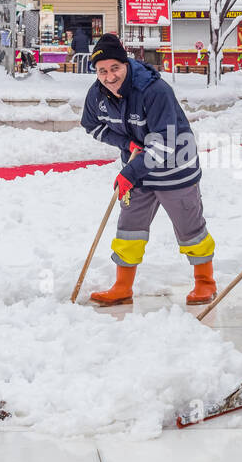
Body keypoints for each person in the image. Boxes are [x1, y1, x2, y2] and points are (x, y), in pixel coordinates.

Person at [79, 33, 216, 306]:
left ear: (126, 64)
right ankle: (122, 286)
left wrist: (130, 172)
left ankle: (205, 283)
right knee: (129, 228)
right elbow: (91, 125)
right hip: (139, 168)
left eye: (114, 68)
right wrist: (126, 143)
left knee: (190, 229)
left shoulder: (154, 90)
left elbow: (165, 141)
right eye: (102, 71)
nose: (109, 76)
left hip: (176, 167)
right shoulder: (97, 94)